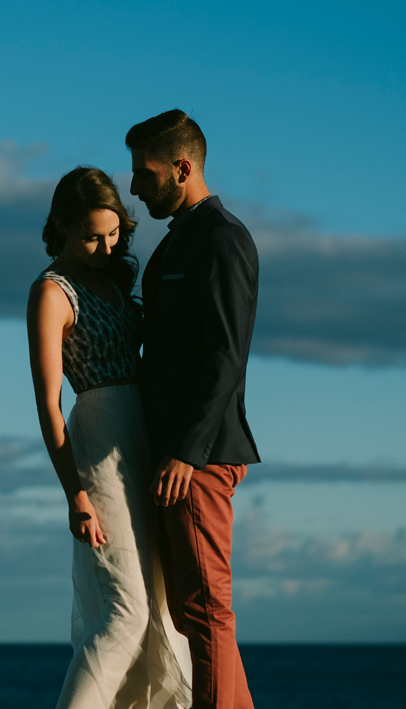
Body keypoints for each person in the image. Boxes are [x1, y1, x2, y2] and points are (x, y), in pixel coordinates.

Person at [27, 166, 191, 709]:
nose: (105, 246)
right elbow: (48, 403)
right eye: (91, 235)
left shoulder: (119, 277)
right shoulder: (51, 292)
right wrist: (74, 493)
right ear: (61, 226)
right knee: (126, 611)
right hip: (97, 436)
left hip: (144, 434)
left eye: (114, 232)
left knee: (163, 609)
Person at [127, 110, 260, 709]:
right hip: (171, 454)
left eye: (145, 174)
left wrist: (187, 451)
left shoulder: (221, 237)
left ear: (183, 169)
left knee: (207, 611)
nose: (134, 186)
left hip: (198, 457)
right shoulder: (176, 240)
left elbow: (227, 357)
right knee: (190, 612)